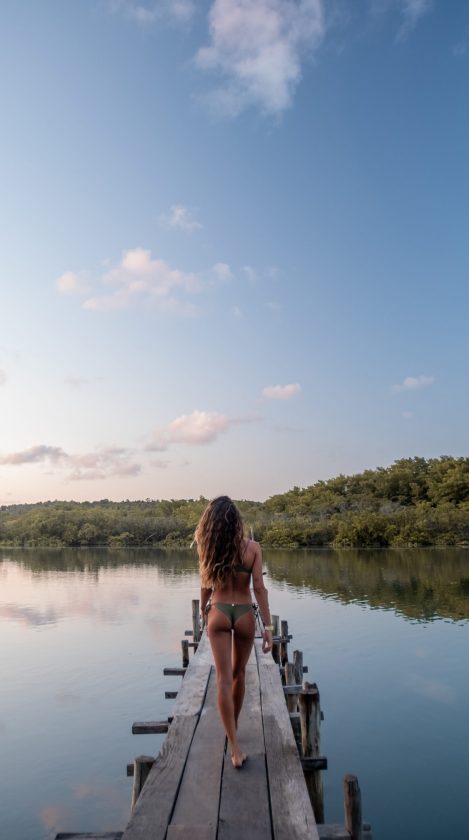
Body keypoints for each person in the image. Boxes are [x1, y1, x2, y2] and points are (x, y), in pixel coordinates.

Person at [195, 495, 273, 769]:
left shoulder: (208, 547)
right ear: (237, 521)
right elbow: (259, 588)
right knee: (240, 674)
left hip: (218, 612)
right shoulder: (252, 548)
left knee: (223, 680)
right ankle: (234, 732)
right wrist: (269, 627)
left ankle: (234, 745)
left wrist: (202, 610)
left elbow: (206, 584)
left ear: (211, 523)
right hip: (243, 614)